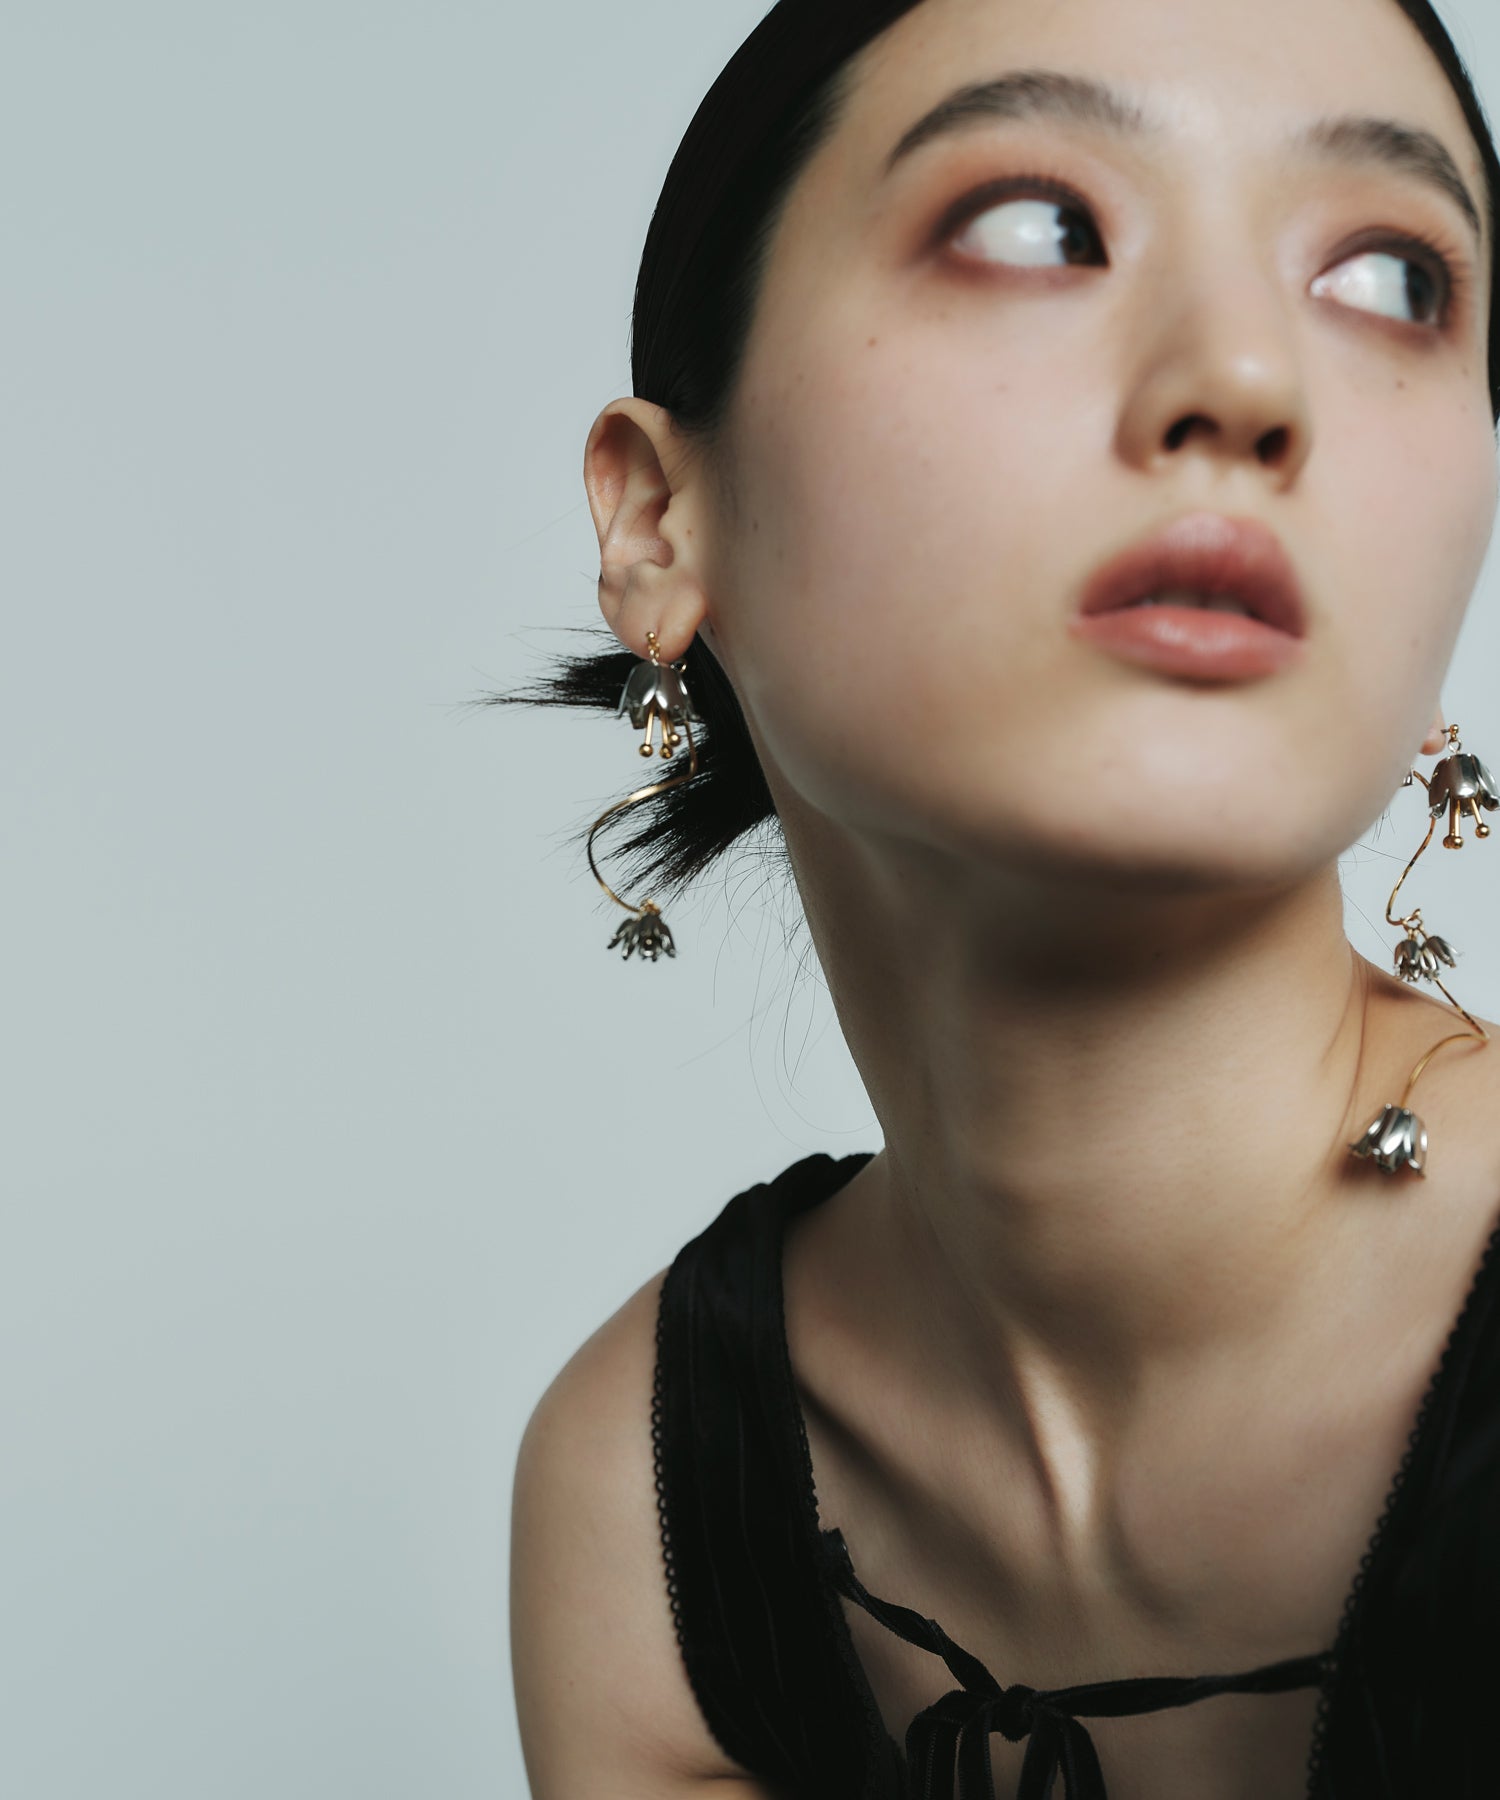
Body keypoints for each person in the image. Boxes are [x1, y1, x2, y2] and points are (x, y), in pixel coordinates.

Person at [507, 0, 1500, 1793]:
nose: (1251, 380)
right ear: (658, 521)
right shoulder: (642, 1514)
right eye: (1041, 226)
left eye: (1392, 280)